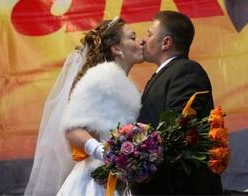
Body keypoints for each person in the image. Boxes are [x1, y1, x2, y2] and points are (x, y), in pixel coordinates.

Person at [24, 17, 144, 196]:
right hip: (96, 181)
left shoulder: (120, 81)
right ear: (117, 49)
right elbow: (72, 129)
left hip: (115, 178)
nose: (140, 42)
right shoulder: (99, 77)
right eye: (132, 38)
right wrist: (103, 153)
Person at [133, 11, 223, 195]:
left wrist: (131, 152)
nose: (143, 40)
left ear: (166, 42)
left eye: (149, 34)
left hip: (182, 188)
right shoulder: (165, 74)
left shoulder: (186, 71)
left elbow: (175, 130)